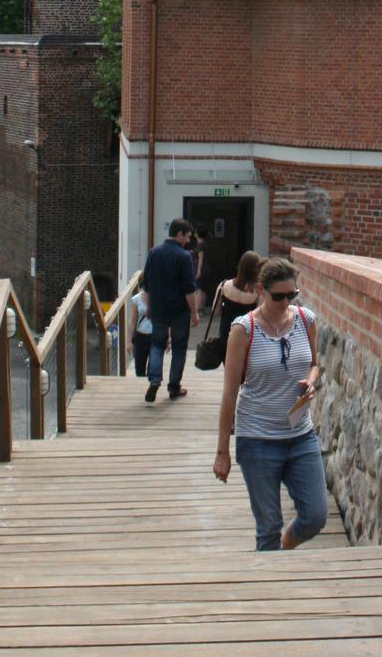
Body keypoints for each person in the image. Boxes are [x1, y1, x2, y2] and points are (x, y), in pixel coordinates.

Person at [213, 258, 328, 550]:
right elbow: (229, 394)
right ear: (261, 291)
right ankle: (270, 590)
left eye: (292, 294)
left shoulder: (306, 320)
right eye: (278, 296)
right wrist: (222, 452)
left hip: (300, 436)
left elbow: (315, 364)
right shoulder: (244, 329)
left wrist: (311, 381)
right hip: (258, 439)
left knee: (315, 516)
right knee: (267, 529)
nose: (286, 301)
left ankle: (288, 543)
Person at [142, 218, 199, 402]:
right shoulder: (184, 257)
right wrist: (194, 312)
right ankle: (174, 387)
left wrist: (149, 308)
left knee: (157, 344)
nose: (188, 240)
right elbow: (189, 290)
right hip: (179, 310)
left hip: (158, 307)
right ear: (179, 234)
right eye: (187, 236)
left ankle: (154, 380)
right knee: (179, 348)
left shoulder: (154, 253)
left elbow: (147, 285)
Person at [215, 250, 262, 353]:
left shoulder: (224, 285)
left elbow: (216, 312)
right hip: (247, 333)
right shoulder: (258, 292)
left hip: (226, 332)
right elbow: (260, 317)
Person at [127, 272, 152, 378]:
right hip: (140, 337)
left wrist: (168, 338)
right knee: (139, 370)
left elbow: (166, 318)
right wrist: (128, 341)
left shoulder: (160, 298)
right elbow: (132, 321)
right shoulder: (136, 299)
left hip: (155, 336)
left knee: (154, 369)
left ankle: (152, 388)